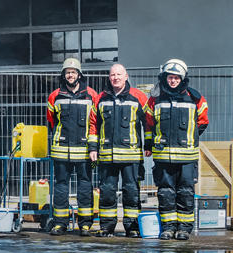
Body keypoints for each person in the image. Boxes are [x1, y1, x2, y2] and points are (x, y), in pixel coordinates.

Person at [145, 59, 209, 240]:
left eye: (176, 77)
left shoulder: (195, 98)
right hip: (163, 156)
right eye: (170, 77)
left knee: (186, 192)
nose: (173, 81)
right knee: (165, 192)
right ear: (164, 78)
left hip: (187, 156)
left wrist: (189, 138)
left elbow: (202, 123)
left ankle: (184, 229)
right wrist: (148, 145)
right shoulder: (154, 99)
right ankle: (168, 228)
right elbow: (149, 125)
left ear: (183, 78)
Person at [88, 63, 150, 237]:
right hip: (107, 155)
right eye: (112, 75)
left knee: (131, 191)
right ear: (109, 77)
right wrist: (93, 147)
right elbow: (93, 124)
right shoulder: (100, 98)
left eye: (119, 75)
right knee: (107, 191)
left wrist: (149, 145)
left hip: (131, 156)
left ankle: (132, 227)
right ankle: (107, 227)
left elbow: (149, 122)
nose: (115, 78)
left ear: (126, 76)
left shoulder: (138, 97)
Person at [46, 58, 98, 236]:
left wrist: (93, 147)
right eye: (67, 72)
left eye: (73, 72)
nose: (70, 75)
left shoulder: (91, 95)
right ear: (63, 75)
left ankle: (85, 225)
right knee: (61, 188)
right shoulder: (54, 96)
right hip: (61, 151)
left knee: (85, 187)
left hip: (84, 152)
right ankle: (60, 224)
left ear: (79, 74)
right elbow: (51, 121)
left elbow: (94, 124)